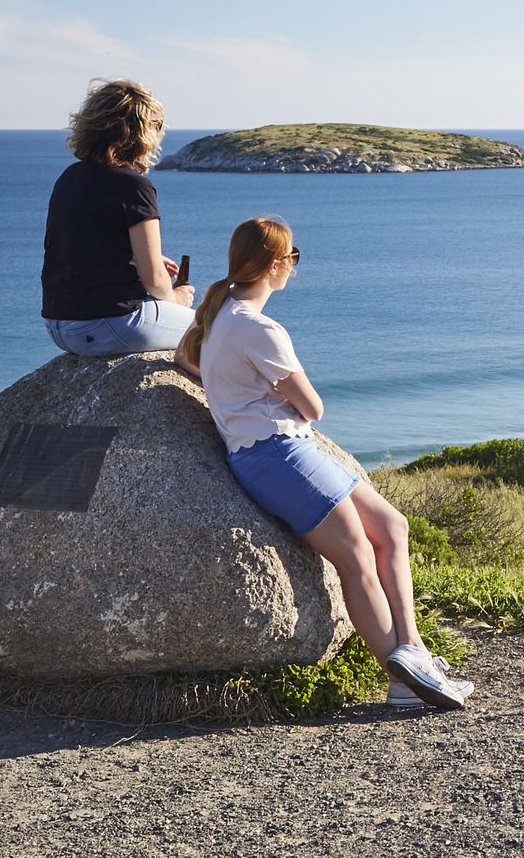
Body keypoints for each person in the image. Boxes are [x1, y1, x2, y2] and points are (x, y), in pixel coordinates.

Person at [176, 216, 472, 711]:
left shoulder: (219, 312)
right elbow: (312, 408)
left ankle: (415, 650)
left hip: (286, 449)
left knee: (391, 526)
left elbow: (192, 361)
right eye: (292, 257)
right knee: (356, 559)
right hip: (276, 455)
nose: (293, 266)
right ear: (275, 265)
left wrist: (253, 390)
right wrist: (271, 392)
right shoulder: (260, 329)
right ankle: (401, 680)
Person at [42, 79, 197, 356]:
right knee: (217, 330)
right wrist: (176, 299)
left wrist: (129, 256)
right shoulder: (135, 186)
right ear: (143, 134)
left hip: (59, 326)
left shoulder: (70, 177)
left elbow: (75, 245)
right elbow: (156, 282)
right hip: (109, 324)